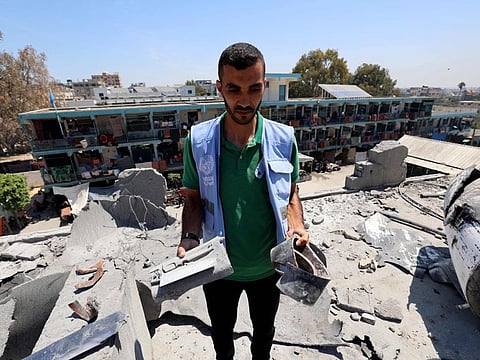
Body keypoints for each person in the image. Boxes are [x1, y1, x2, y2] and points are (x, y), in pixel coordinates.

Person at [177, 42, 309, 360]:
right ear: (220, 87)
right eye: (234, 89)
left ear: (263, 86)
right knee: (222, 337)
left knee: (263, 336)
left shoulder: (283, 139)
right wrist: (189, 237)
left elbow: (291, 193)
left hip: (269, 269)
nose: (245, 100)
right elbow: (193, 200)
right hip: (219, 270)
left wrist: (298, 225)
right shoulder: (198, 141)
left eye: (253, 88)